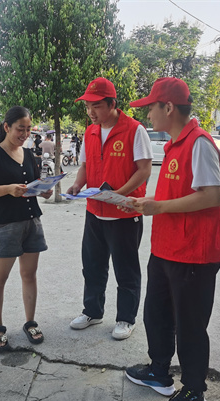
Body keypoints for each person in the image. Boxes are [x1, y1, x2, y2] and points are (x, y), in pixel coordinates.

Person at [124, 77, 220, 401]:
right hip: (166, 249)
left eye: (151, 107)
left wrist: (160, 207)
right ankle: (158, 371)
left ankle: (195, 391)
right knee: (157, 315)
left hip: (193, 254)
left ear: (168, 107)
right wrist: (149, 203)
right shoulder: (174, 145)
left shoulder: (199, 144)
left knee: (190, 325)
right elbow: (178, 194)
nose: (148, 115)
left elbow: (211, 196)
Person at [67, 77, 153, 340]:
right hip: (94, 212)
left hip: (124, 214)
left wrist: (119, 194)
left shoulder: (134, 130)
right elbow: (84, 165)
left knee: (126, 269)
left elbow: (144, 170)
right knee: (92, 265)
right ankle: (93, 311)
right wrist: (77, 184)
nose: (91, 112)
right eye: (87, 106)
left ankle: (126, 319)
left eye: (96, 106)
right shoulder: (90, 131)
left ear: (112, 104)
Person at [0, 106, 53, 351]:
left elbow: (31, 186)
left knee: (29, 275)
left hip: (31, 221)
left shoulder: (30, 154)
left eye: (29, 129)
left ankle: (30, 322)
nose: (25, 134)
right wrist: (8, 189)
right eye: (20, 129)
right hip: (5, 224)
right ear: (6, 127)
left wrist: (43, 191)